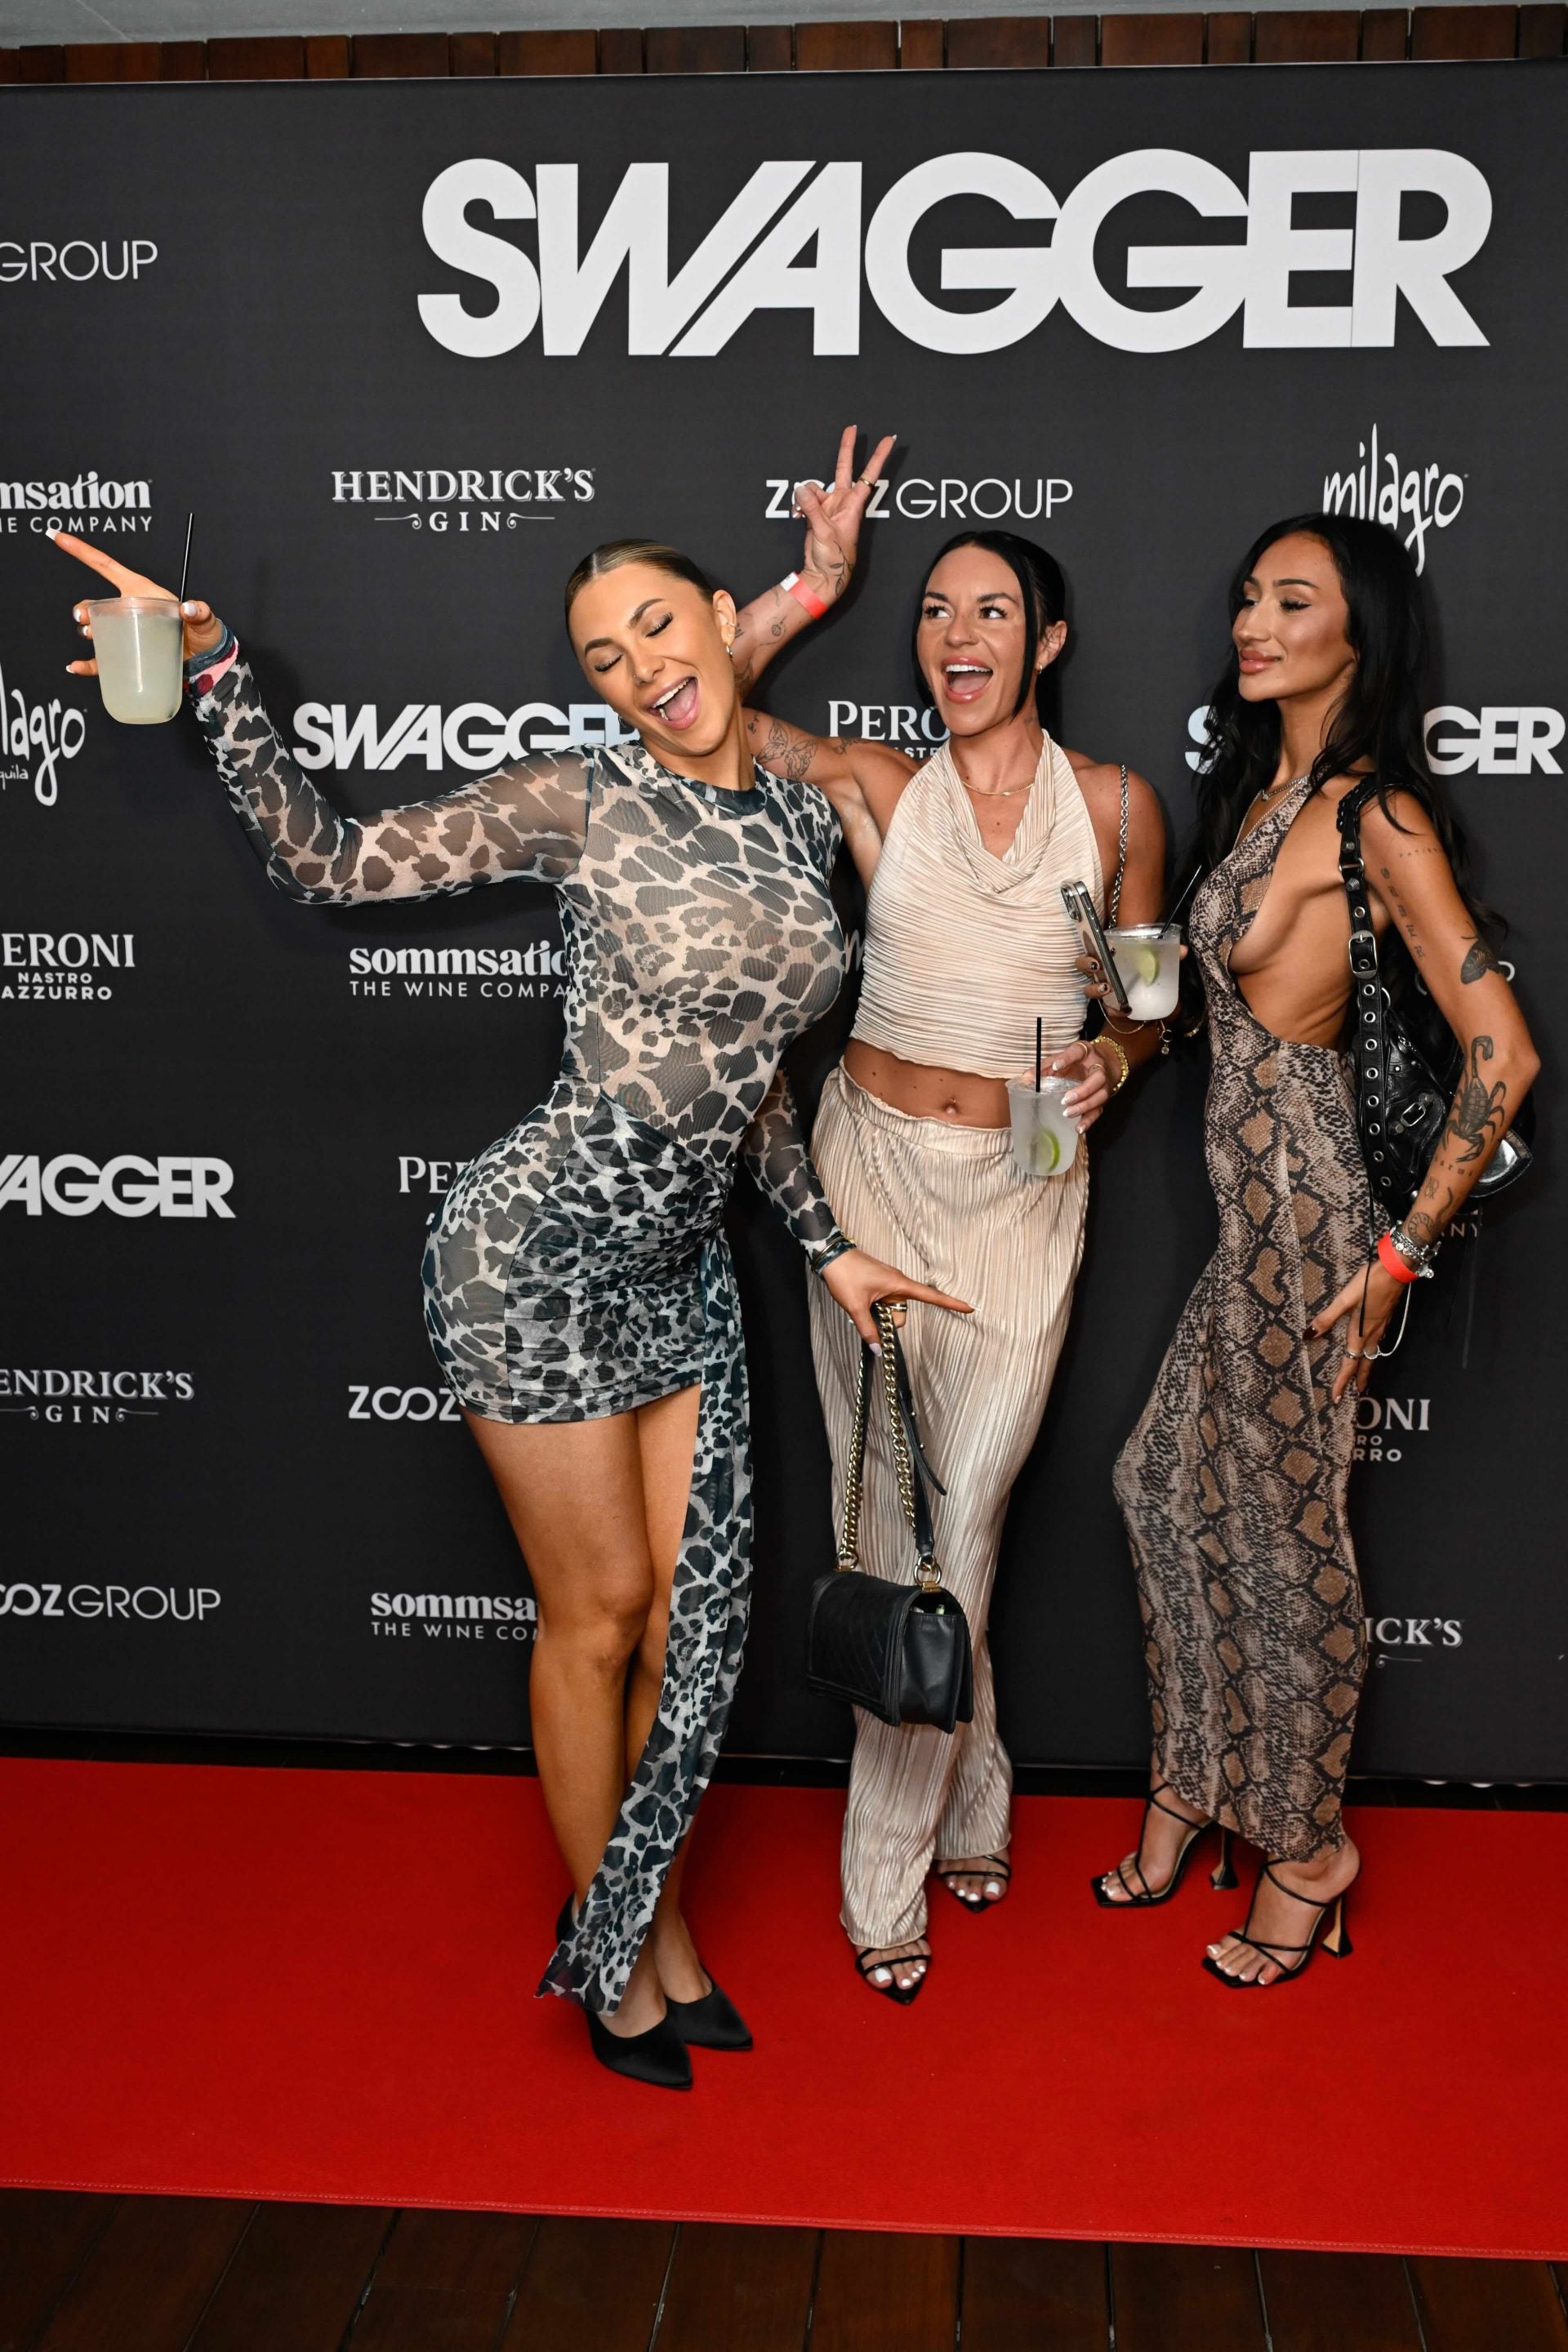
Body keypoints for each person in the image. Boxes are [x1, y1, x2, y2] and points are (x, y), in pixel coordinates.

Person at [54, 511, 966, 2087]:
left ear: (720, 617)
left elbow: (751, 1075)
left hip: (681, 1267)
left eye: (658, 628)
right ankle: (621, 1962)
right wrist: (216, 678)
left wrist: (827, 1246)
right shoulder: (583, 798)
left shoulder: (793, 811)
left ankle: (646, 1919)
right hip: (533, 1261)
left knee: (694, 1631)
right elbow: (331, 864)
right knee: (598, 1620)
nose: (640, 669)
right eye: (604, 657)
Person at [730, 477, 1170, 2002]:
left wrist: (1117, 1060)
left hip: (1025, 1175)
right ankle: (914, 1852)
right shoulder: (877, 783)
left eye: (991, 609)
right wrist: (813, 582)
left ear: (1048, 641)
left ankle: (949, 1816)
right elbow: (700, 707)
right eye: (933, 609)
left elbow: (1150, 1006)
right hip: (865, 1172)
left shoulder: (1117, 808)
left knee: (961, 1515)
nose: (956, 633)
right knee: (897, 1528)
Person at [1098, 513, 1538, 1984]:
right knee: (1162, 1487)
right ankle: (1196, 1777)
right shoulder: (1262, 797)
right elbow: (1199, 1002)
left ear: (1362, 633)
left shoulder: (1376, 816)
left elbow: (1504, 1054)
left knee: (1293, 1549)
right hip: (1247, 1221)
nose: (1254, 621)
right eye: (1249, 596)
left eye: (1295, 601)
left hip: (1311, 1223)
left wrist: (1402, 1249)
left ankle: (1306, 1850)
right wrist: (1112, 1030)